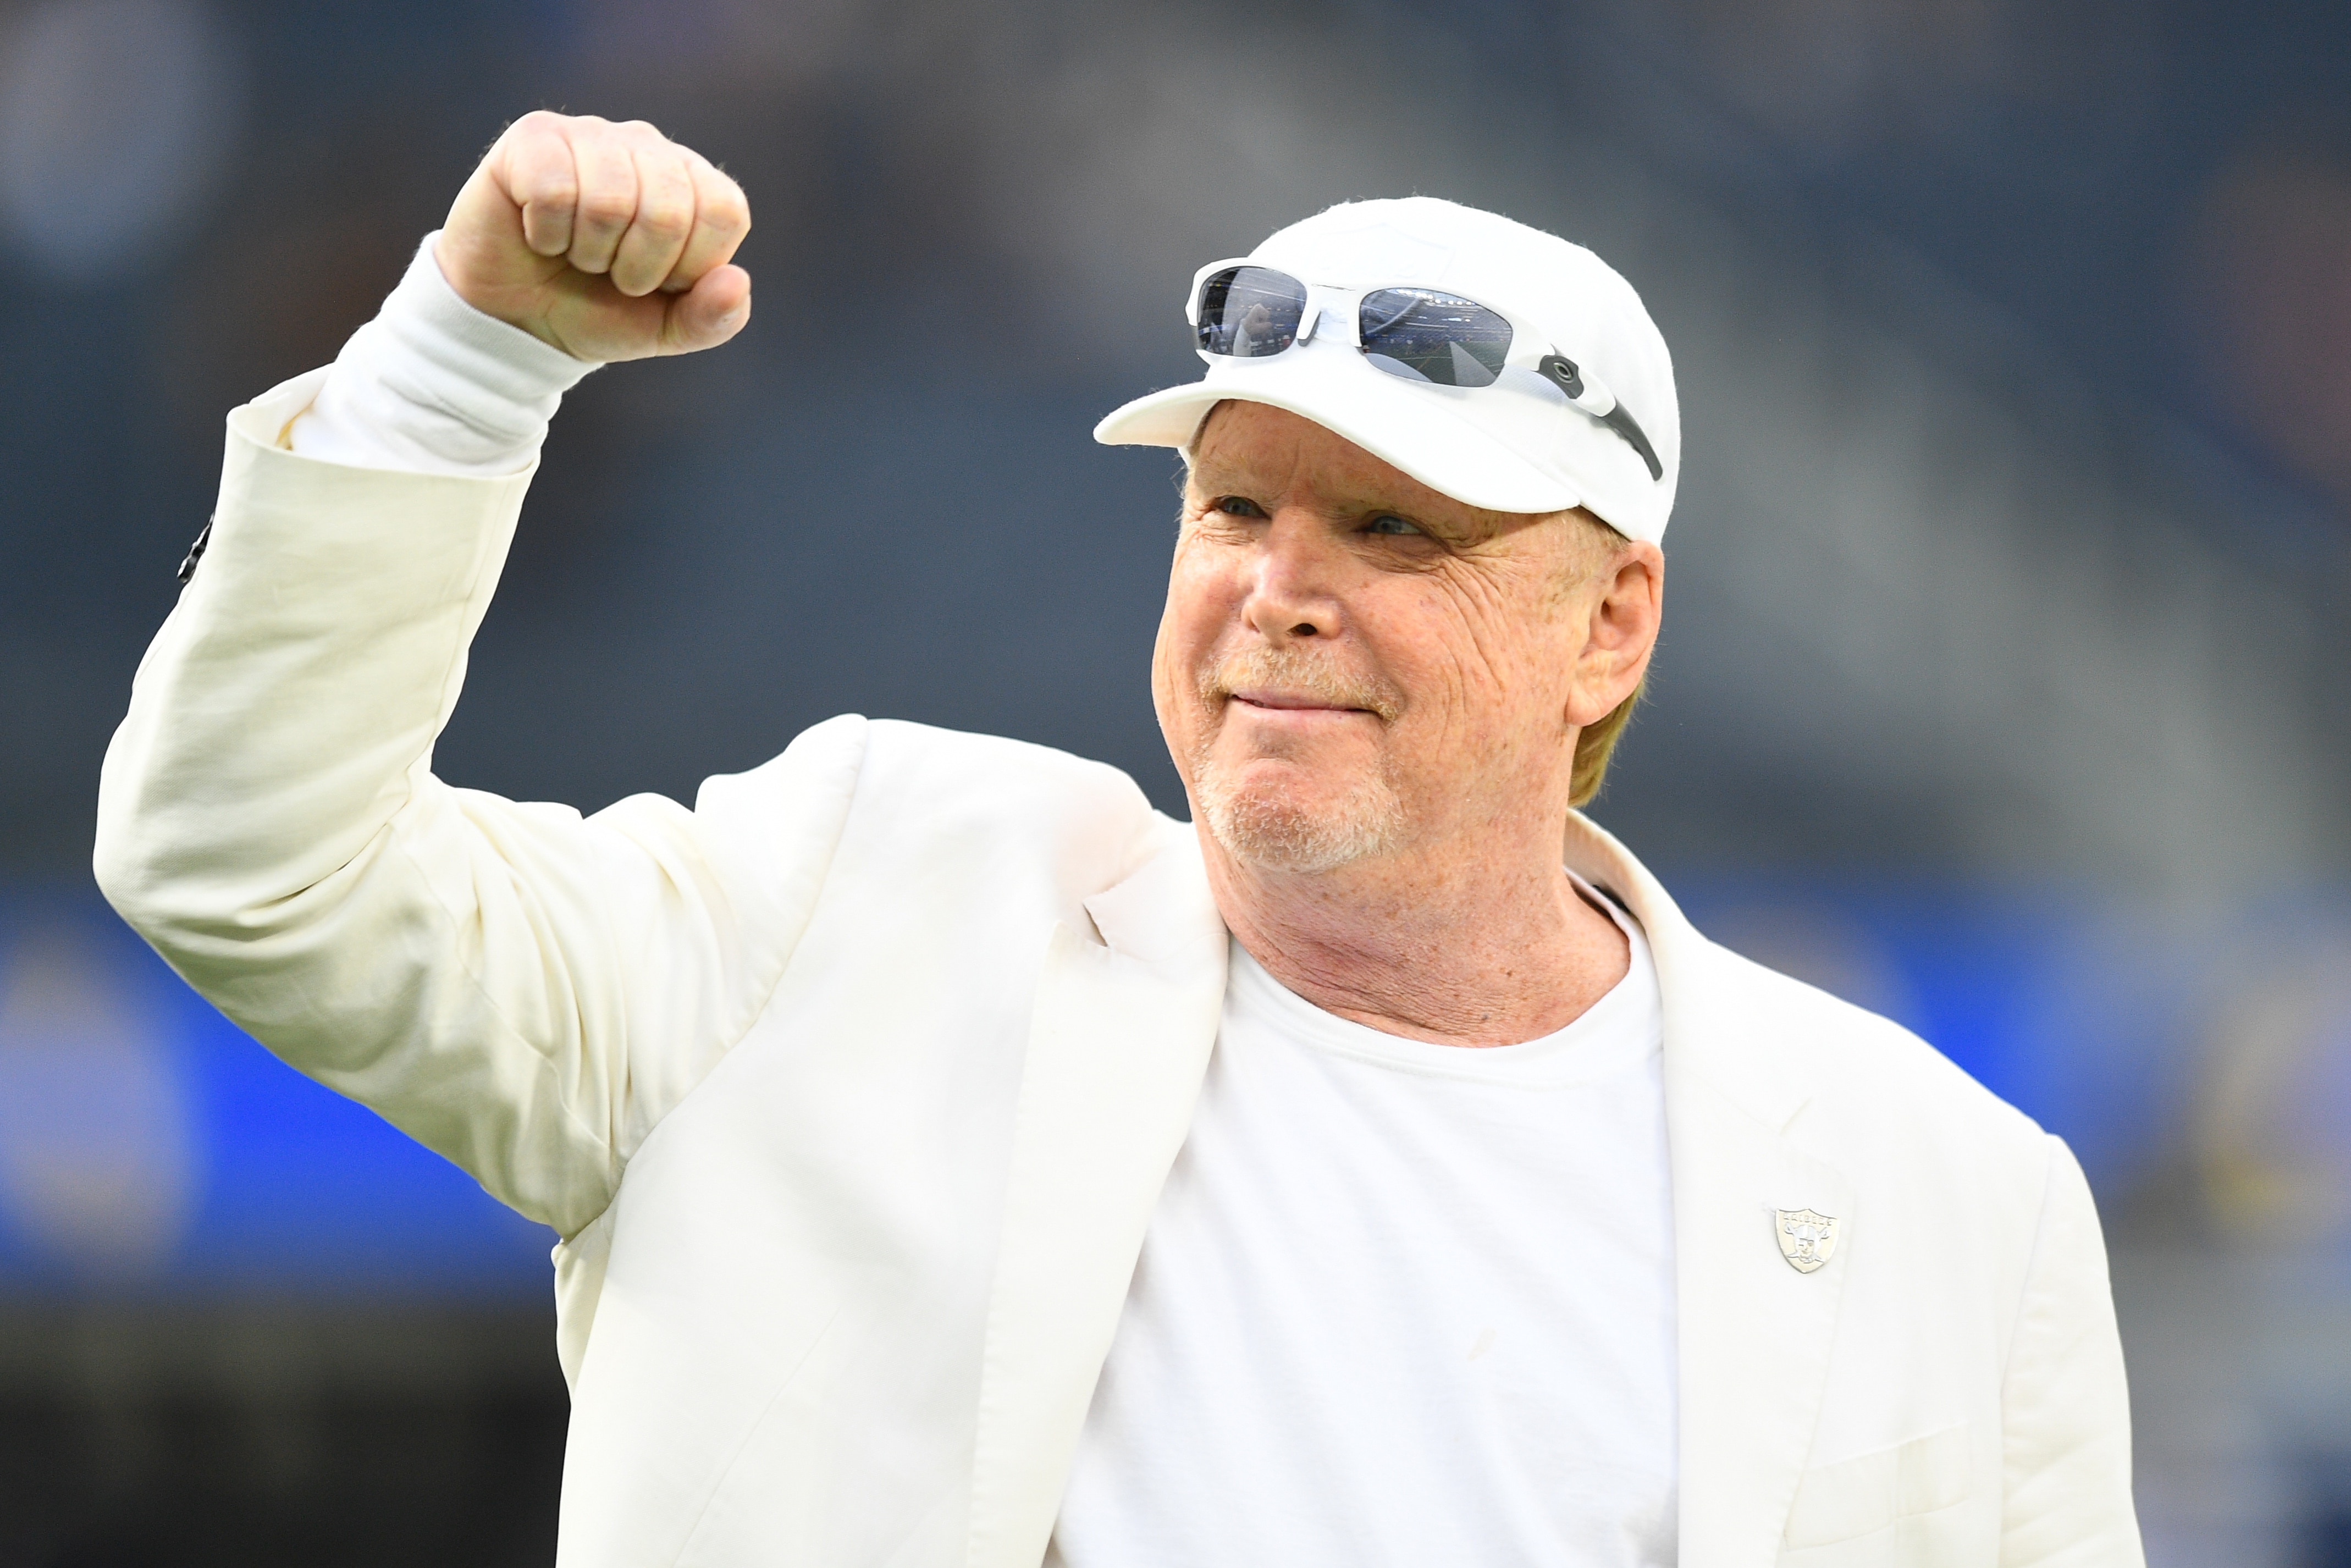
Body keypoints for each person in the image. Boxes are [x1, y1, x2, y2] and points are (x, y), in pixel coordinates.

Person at [94, 113, 2142, 1567]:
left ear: (1611, 624)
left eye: (1395, 528)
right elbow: (249, 862)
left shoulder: (1950, 1197)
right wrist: (465, 362)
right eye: (1235, 509)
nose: (1276, 590)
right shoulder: (847, 905)